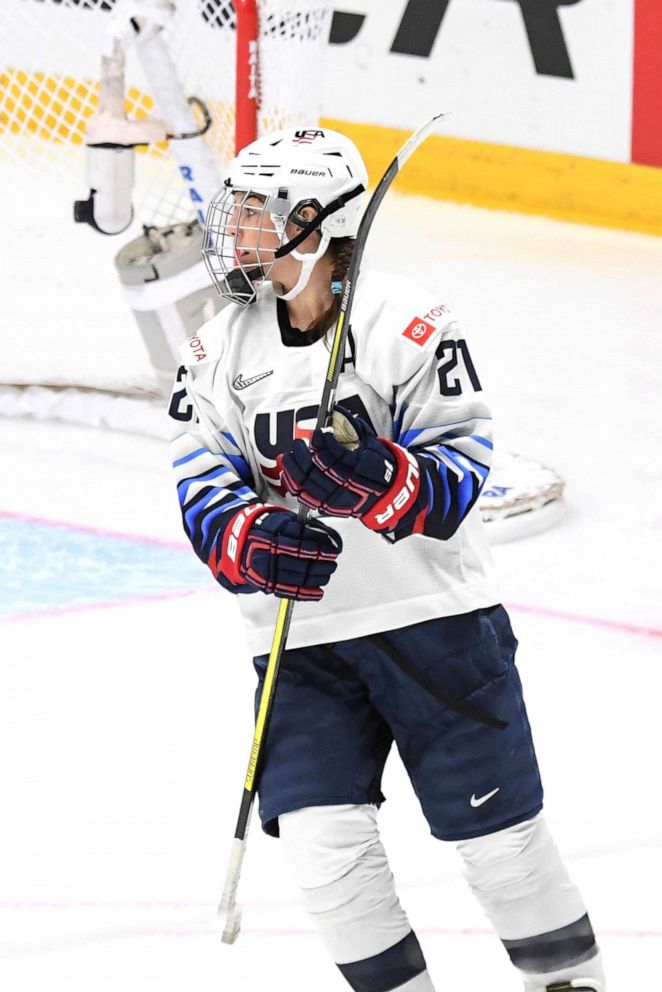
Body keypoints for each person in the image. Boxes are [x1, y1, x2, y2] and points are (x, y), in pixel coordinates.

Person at [169, 127, 606, 992]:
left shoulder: (407, 321)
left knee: (500, 846)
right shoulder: (216, 348)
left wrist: (378, 481)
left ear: (313, 221)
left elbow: (461, 472)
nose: (235, 231)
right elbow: (196, 481)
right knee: (329, 860)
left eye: (254, 213)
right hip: (298, 648)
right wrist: (250, 542)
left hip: (435, 627)